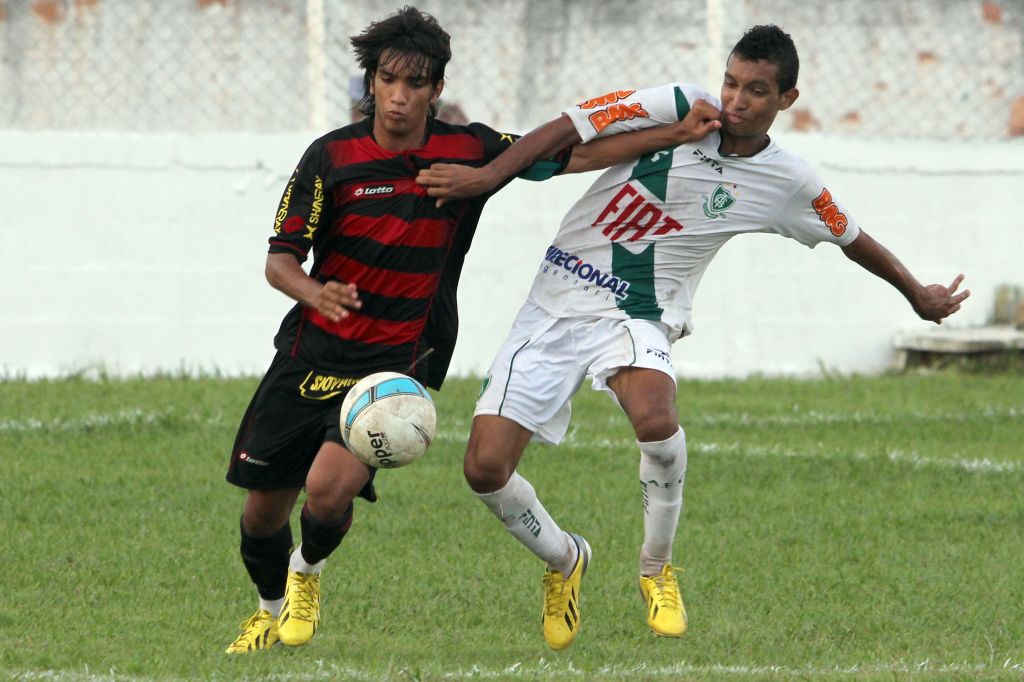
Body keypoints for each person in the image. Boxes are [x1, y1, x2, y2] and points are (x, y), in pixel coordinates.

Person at [416, 24, 970, 651]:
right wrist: (487, 176)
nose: (736, 100)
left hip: (638, 313)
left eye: (756, 90)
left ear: (786, 99)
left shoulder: (789, 181)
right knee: (484, 469)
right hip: (554, 301)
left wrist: (916, 292)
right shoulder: (678, 105)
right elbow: (570, 125)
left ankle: (656, 568)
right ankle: (565, 559)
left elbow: (852, 237)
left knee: (656, 418)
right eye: (731, 82)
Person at [223, 5, 723, 654]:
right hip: (307, 354)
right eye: (388, 80)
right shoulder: (330, 157)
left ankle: (306, 573)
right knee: (261, 515)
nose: (399, 97)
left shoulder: (467, 150)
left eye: (415, 84)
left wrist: (673, 133)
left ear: (436, 89)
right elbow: (279, 262)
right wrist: (317, 292)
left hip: (397, 358)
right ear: (370, 82)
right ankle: (268, 609)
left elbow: (571, 156)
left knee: (326, 490)